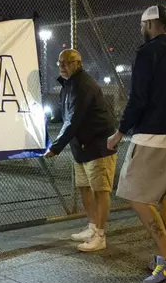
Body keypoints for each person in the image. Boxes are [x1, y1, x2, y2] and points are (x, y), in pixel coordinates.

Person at [107, 5, 166, 283]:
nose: (141, 30)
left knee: (136, 195)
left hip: (151, 139)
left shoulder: (147, 53)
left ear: (149, 25)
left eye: (142, 25)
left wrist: (119, 133)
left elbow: (138, 99)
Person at [44, 49, 117, 252]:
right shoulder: (68, 85)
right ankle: (92, 227)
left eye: (66, 62)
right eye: (60, 63)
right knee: (85, 187)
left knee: (101, 190)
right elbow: (64, 115)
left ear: (78, 63)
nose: (62, 66)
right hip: (81, 146)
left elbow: (73, 120)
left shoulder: (83, 85)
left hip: (98, 145)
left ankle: (100, 236)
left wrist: (55, 148)